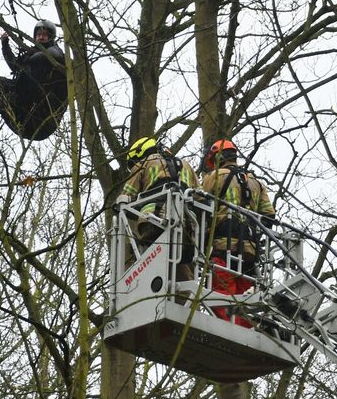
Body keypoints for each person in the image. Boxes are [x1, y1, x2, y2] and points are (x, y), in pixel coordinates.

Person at [200, 138, 276, 327]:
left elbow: (197, 204)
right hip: (250, 251)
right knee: (245, 298)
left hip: (222, 246)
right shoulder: (256, 182)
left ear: (218, 158)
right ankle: (249, 331)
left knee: (220, 295)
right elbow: (269, 216)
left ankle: (232, 330)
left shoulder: (214, 177)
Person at [116, 136, 199, 282]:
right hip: (186, 227)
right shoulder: (186, 166)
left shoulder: (143, 164)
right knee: (182, 268)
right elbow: (200, 198)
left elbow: (126, 196)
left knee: (149, 265)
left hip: (153, 223)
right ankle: (183, 297)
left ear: (139, 154)